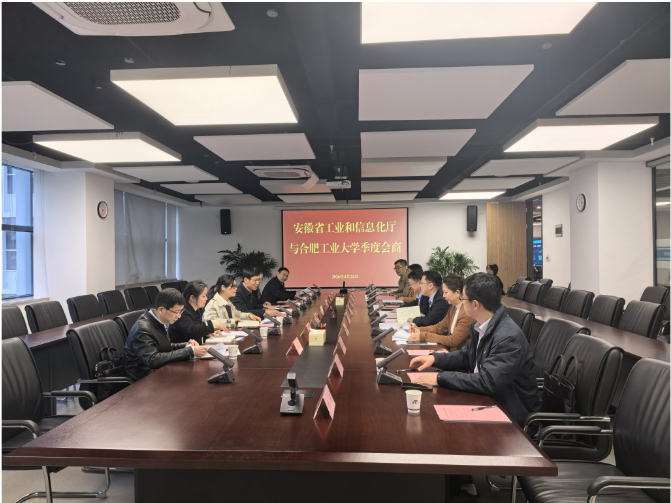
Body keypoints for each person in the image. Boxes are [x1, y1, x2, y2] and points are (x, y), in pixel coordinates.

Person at [409, 272, 540, 426]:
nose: (461, 303)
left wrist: (440, 378)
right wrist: (435, 358)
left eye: (463, 299)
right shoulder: (483, 326)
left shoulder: (508, 337)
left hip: (509, 415)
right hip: (488, 401)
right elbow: (466, 355)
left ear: (475, 304)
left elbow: (487, 381)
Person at [124, 288, 207, 382]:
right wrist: (189, 351)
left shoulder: (160, 320)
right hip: (144, 379)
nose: (179, 316)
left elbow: (165, 346)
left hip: (159, 371)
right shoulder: (143, 329)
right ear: (161, 309)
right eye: (176, 312)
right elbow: (152, 360)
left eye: (181, 311)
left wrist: (185, 345)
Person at [406, 275, 474, 350]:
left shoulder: (466, 313)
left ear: (457, 292)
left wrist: (423, 336)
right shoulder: (453, 308)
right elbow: (439, 327)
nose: (443, 295)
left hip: (459, 355)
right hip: (452, 353)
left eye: (446, 292)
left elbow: (453, 340)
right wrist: (418, 329)